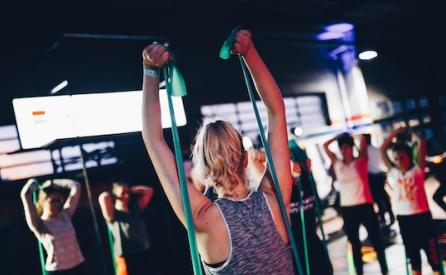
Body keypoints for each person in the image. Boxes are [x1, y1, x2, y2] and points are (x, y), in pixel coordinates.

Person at [141, 30, 295, 274]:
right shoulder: (274, 196)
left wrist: (150, 71)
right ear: (246, 159)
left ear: (202, 171)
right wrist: (249, 52)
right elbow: (276, 111)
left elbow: (154, 141)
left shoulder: (203, 218)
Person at [323, 133, 388, 275]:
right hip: (348, 209)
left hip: (365, 206)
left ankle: (385, 270)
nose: (344, 150)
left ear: (352, 147)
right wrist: (339, 136)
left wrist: (350, 135)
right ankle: (359, 272)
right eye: (342, 148)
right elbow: (325, 146)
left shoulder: (361, 160)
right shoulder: (337, 163)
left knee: (376, 240)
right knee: (355, 244)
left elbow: (364, 138)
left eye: (347, 147)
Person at [380, 127, 441, 275]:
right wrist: (394, 133)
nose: (399, 161)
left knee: (432, 253)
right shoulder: (394, 173)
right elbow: (383, 149)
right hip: (404, 219)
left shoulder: (417, 171)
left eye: (402, 158)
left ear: (409, 157)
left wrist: (409, 131)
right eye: (396, 159)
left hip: (422, 216)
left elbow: (421, 143)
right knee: (413, 256)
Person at [20, 178, 85, 275]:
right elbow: (25, 195)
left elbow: (76, 186)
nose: (56, 204)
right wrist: (29, 186)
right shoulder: (39, 224)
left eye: (59, 201)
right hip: (57, 271)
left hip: (77, 267)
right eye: (53, 201)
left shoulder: (65, 215)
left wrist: (53, 182)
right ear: (43, 202)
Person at [289, 141, 333, 275]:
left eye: (298, 160)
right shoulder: (280, 188)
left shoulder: (307, 179)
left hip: (313, 241)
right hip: (295, 249)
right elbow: (256, 157)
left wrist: (305, 164)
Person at [98, 182, 154, 275]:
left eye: (128, 193)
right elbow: (103, 197)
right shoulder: (112, 214)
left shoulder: (136, 208)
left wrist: (131, 190)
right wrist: (115, 194)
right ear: (115, 195)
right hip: (125, 255)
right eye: (123, 193)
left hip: (142, 251)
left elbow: (149, 191)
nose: (126, 196)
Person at [364, 133, 395, 226]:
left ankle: (383, 217)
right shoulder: (376, 150)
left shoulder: (364, 152)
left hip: (372, 177)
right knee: (384, 196)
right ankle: (391, 214)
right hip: (379, 175)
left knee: (377, 198)